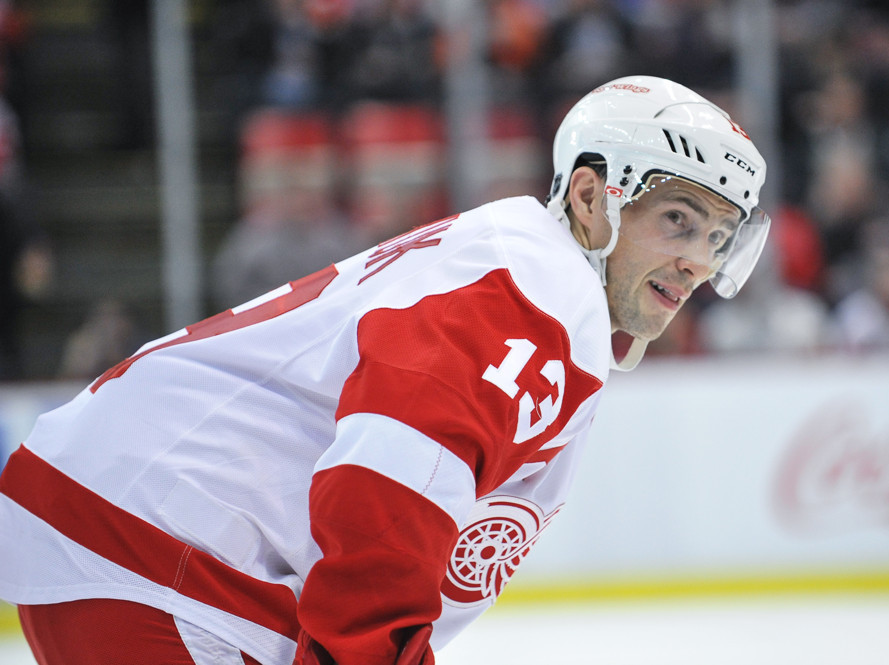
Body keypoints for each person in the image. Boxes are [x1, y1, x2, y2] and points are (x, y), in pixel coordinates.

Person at [0, 75, 769, 665]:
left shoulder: (533, 272)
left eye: (717, 237)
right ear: (593, 195)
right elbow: (389, 475)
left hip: (148, 538)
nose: (698, 261)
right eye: (677, 220)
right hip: (156, 552)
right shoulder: (538, 293)